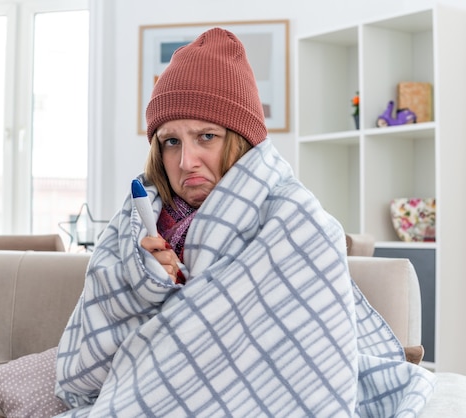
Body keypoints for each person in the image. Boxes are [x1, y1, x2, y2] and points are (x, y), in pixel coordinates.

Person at [55, 27, 435, 417]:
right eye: (171, 141)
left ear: (240, 141)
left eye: (206, 136)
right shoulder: (135, 223)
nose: (186, 161)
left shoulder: (295, 221)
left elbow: (309, 368)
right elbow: (90, 359)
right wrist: (144, 283)